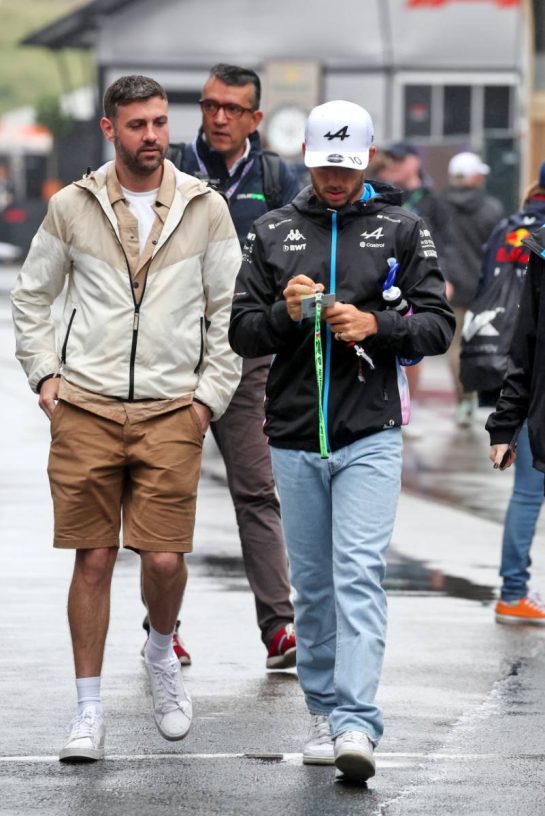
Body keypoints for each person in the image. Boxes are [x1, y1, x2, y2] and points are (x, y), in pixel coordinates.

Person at [10, 75, 242, 762]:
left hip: (173, 407)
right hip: (85, 405)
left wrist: (208, 399)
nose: (152, 136)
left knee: (165, 558)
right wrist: (47, 379)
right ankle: (88, 711)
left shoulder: (204, 208)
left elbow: (228, 313)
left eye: (160, 123)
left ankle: (161, 650)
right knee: (93, 557)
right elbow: (32, 298)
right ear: (110, 129)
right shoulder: (73, 206)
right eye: (137, 124)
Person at [229, 100, 454, 781]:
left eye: (347, 167)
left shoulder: (400, 228)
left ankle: (357, 722)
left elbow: (438, 325)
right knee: (317, 588)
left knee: (357, 574)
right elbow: (241, 331)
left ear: (366, 159)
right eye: (326, 166)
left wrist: (375, 328)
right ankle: (323, 712)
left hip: (370, 434)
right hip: (294, 435)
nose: (335, 179)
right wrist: (285, 312)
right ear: (306, 156)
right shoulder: (270, 232)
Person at [155, 63, 300, 670]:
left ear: (254, 119)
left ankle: (279, 629)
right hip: (174, 356)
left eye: (233, 109)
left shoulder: (276, 177)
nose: (218, 117)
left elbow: (303, 246)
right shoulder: (172, 167)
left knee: (257, 492)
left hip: (249, 355)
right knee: (166, 495)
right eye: (211, 105)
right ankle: (162, 631)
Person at [484, 164, 545, 625]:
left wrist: (505, 421)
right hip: (534, 392)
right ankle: (512, 591)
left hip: (531, 392)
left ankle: (512, 590)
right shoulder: (536, 246)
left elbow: (522, 345)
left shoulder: (514, 230)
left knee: (526, 495)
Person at [381, 142, 457, 410]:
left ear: (415, 162)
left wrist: (444, 278)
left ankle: (406, 405)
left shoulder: (432, 199)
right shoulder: (381, 194)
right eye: (390, 161)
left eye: (400, 161)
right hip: (384, 276)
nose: (394, 167)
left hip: (417, 276)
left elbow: (445, 242)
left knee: (411, 343)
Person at [440, 152, 504, 427]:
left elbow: (434, 244)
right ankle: (482, 397)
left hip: (450, 285)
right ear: (475, 177)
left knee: (455, 347)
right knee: (484, 344)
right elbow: (498, 248)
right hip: (484, 286)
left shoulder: (439, 205)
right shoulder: (492, 208)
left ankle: (463, 401)